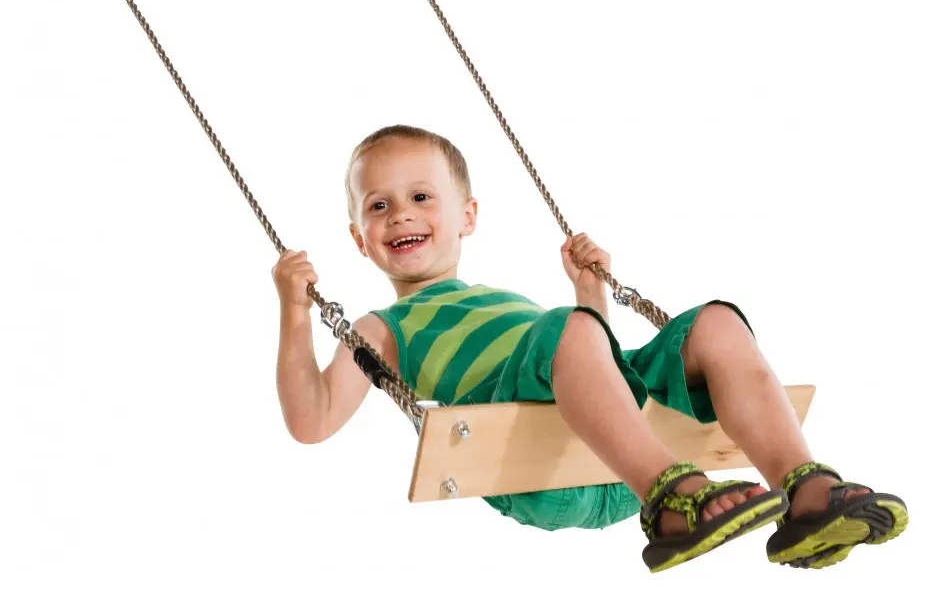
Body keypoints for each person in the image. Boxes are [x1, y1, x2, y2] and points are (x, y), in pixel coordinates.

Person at [273, 124, 907, 572]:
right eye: (379, 205)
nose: (400, 215)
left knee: (715, 322)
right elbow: (311, 420)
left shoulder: (505, 300)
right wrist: (295, 313)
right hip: (538, 473)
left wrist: (590, 293)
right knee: (566, 328)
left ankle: (806, 492)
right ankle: (672, 502)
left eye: (420, 197)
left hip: (615, 454)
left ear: (467, 216)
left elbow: (592, 367)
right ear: (359, 239)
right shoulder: (383, 328)